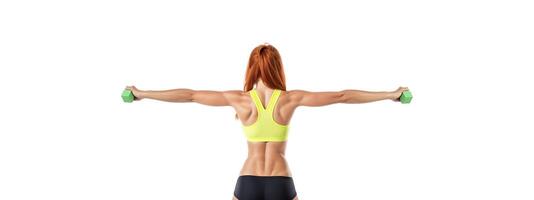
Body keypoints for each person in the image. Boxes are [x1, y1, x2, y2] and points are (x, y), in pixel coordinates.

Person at [125, 43, 409, 200]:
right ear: (277, 68)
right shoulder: (289, 99)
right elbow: (342, 96)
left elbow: (190, 95)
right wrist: (390, 95)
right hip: (280, 183)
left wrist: (142, 94)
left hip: (247, 181)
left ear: (251, 68)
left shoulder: (239, 99)